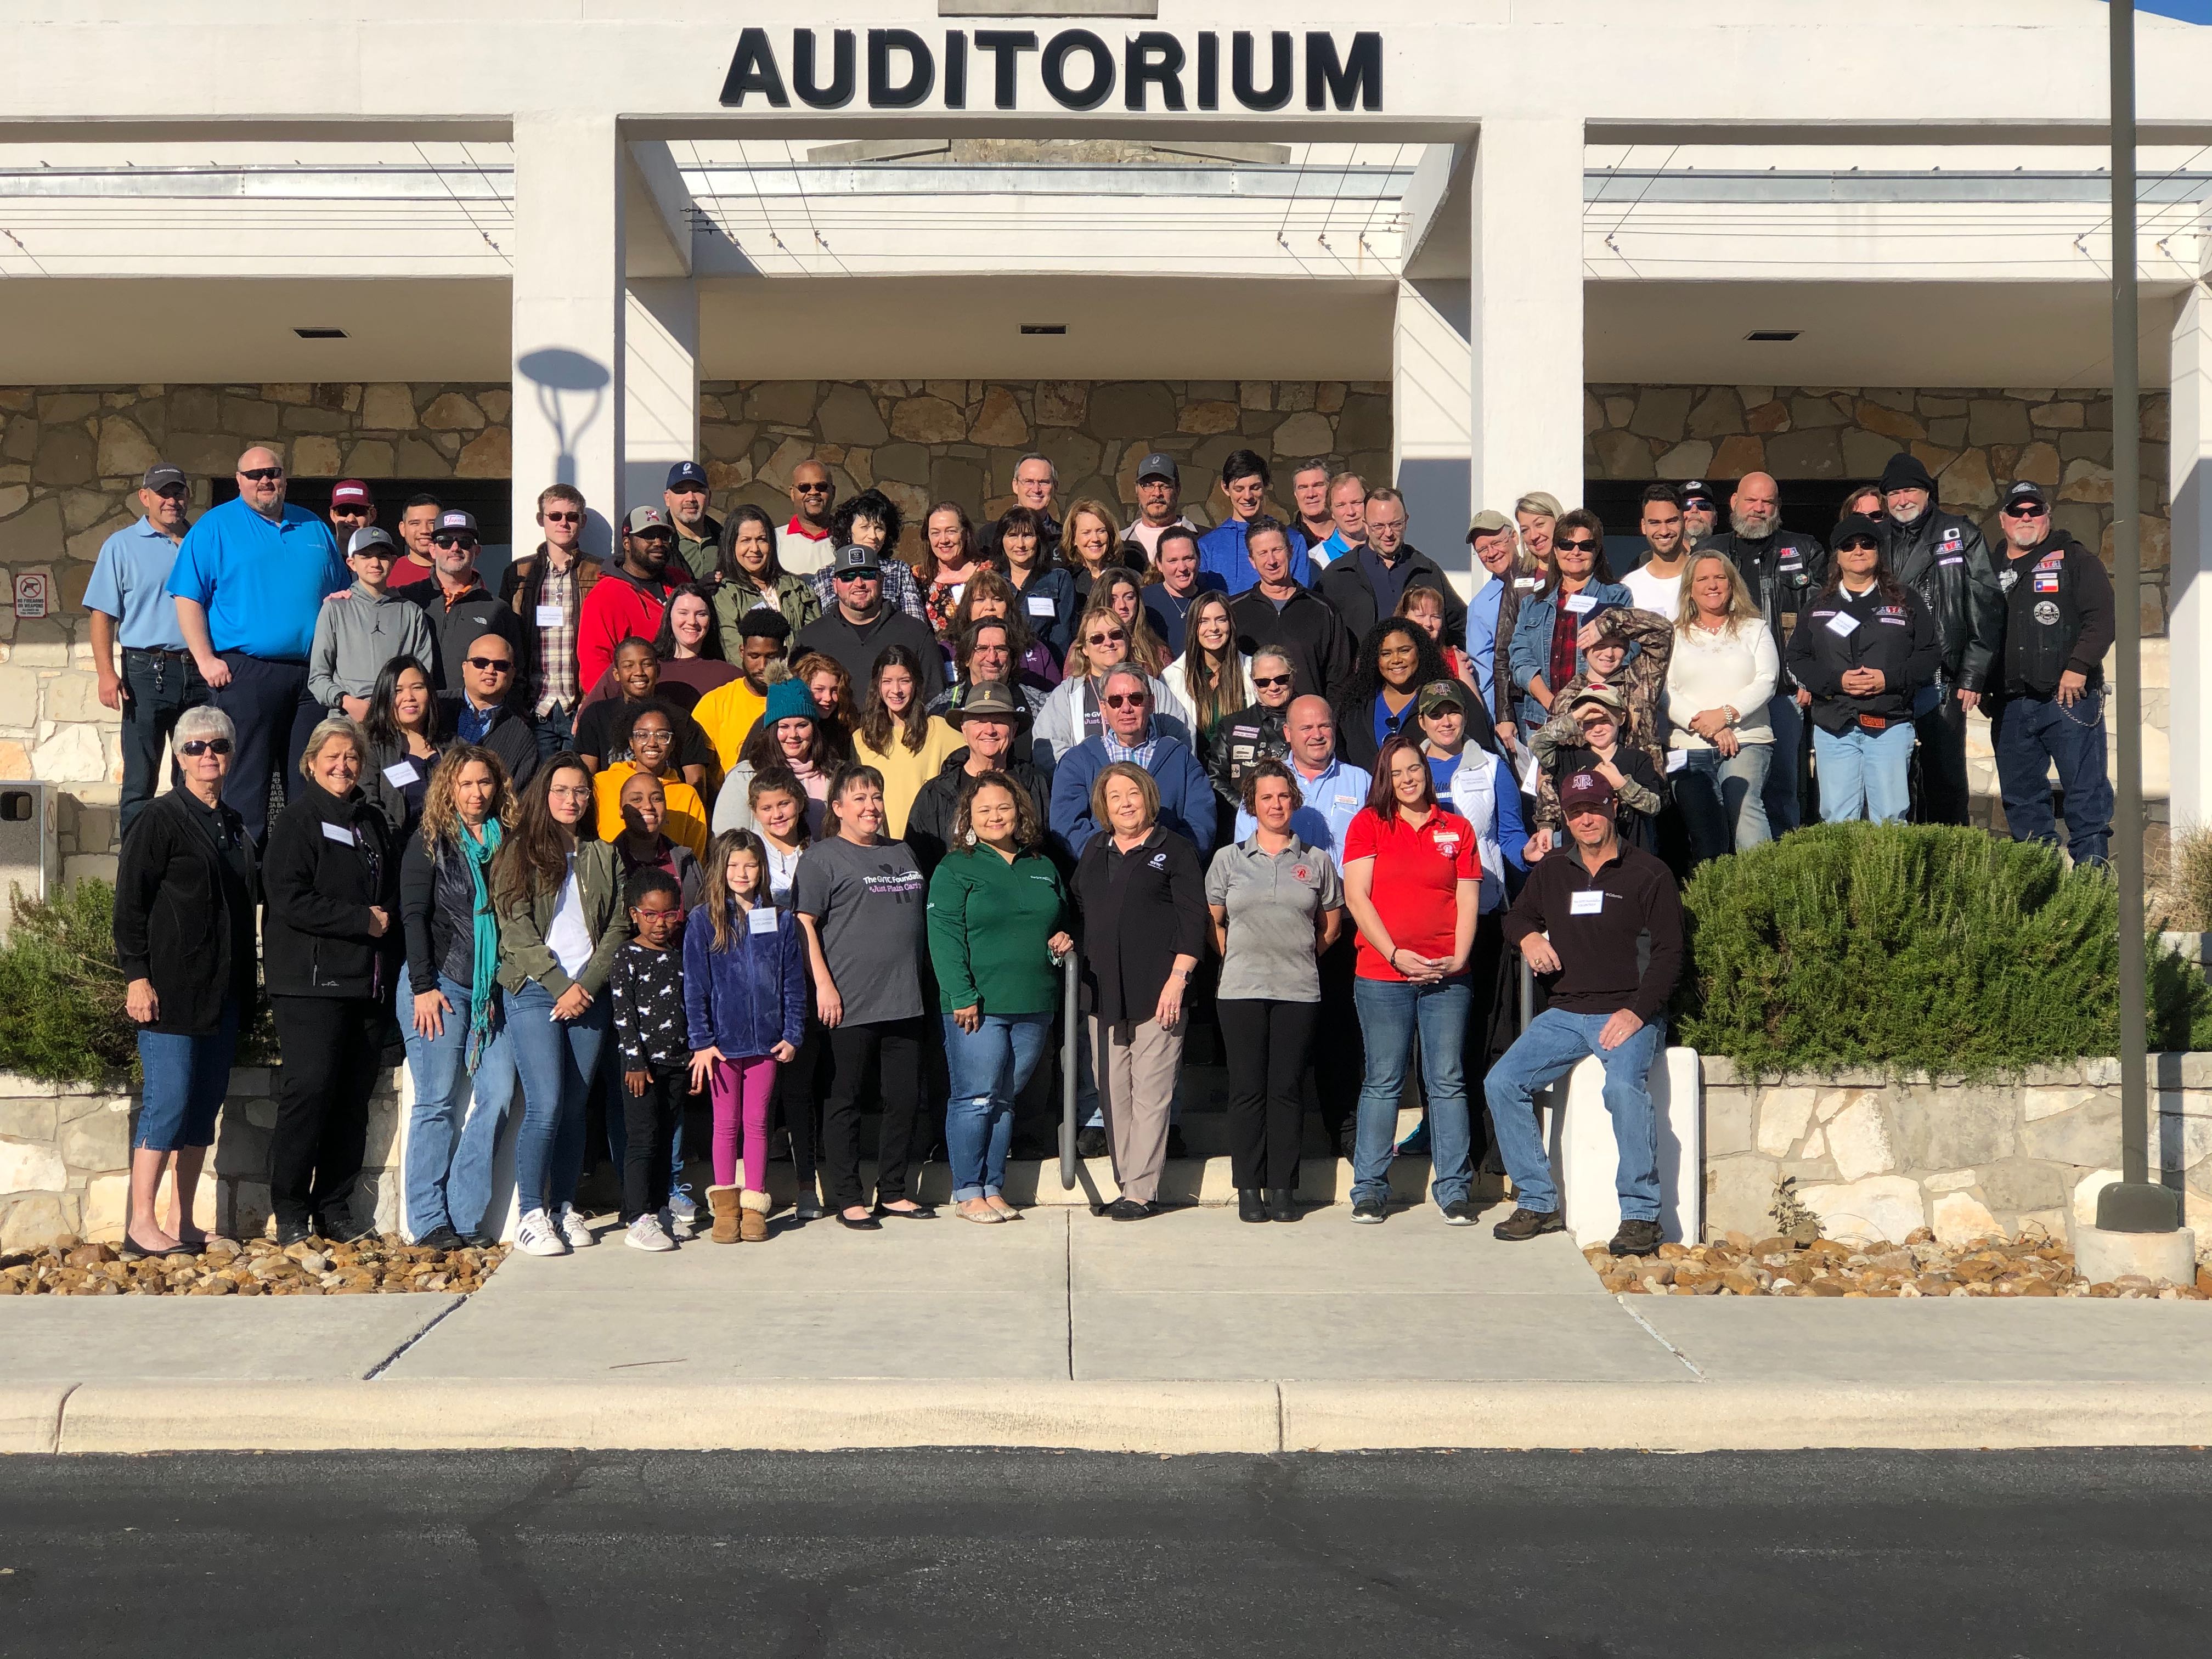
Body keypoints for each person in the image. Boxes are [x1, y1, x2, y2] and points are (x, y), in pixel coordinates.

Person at [1488, 771, 1684, 1257]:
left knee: (1621, 1089)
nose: (1586, 819)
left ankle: (1641, 1215)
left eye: (1594, 808)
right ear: (1567, 819)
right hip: (1565, 1012)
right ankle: (1538, 1200)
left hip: (1626, 1010)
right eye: (1576, 812)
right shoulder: (1553, 869)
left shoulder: (1650, 873)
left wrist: (1638, 1012)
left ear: (1614, 808)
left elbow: (1670, 955)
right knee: (1501, 1082)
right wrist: (1530, 938)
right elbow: (1516, 917)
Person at [114, 705, 255, 1256]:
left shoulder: (235, 824)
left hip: (222, 992)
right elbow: (130, 905)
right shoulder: (159, 818)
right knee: (167, 1102)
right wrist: (136, 977)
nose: (207, 755)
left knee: (202, 1108)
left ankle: (184, 1221)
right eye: (194, 747)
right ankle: (141, 1223)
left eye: (216, 744)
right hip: (168, 990)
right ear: (178, 757)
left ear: (231, 751)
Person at [261, 715, 399, 1245]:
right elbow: (289, 897)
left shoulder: (370, 821)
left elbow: (386, 892)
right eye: (333, 757)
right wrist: (359, 919)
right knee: (310, 1094)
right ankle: (291, 1209)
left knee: (351, 1101)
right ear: (311, 763)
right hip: (309, 985)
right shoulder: (297, 821)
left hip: (365, 985)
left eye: (352, 758)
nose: (343, 766)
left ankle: (334, 1207)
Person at [167, 445, 347, 845]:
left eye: (273, 472)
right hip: (246, 672)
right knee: (248, 785)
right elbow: (187, 598)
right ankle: (244, 885)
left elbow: (340, 595)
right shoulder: (215, 527)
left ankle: (299, 884)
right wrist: (205, 659)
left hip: (311, 676)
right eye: (255, 474)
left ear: (284, 477)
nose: (265, 480)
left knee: (309, 783)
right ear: (239, 480)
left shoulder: (313, 527)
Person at [494, 755, 631, 1257]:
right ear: (542, 795)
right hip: (534, 989)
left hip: (588, 994)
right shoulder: (520, 850)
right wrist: (558, 983)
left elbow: (619, 926)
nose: (570, 799)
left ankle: (563, 1206)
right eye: (560, 790)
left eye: (579, 791)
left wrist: (586, 985)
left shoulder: (604, 853)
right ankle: (532, 1211)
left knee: (576, 1106)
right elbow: (516, 927)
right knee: (547, 1102)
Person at [1340, 736, 1480, 1225]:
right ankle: (1370, 1189)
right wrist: (1396, 954)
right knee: (1383, 1082)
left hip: (1446, 977)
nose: (1407, 778)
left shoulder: (1457, 828)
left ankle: (1455, 1188)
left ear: (1426, 771)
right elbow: (1357, 898)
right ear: (1386, 778)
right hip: (1382, 975)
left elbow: (1466, 899)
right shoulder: (1368, 824)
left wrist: (1458, 957)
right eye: (1397, 772)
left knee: (1447, 1081)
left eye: (1414, 768)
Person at [927, 771, 1074, 1224]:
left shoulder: (1041, 865)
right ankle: (968, 1189)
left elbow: (1058, 922)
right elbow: (944, 935)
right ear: (969, 817)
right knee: (976, 1097)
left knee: (1006, 1099)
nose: (995, 817)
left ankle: (993, 1186)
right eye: (984, 810)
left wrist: (1061, 943)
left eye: (1003, 808)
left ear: (1019, 812)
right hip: (978, 1007)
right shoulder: (956, 868)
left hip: (1034, 1002)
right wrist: (961, 994)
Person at [795, 765, 935, 1230]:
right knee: (845, 1101)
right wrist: (824, 986)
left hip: (906, 999)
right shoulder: (822, 859)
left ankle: (892, 1191)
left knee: (903, 1099)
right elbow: (805, 923)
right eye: (859, 799)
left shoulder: (903, 852)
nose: (871, 806)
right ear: (837, 809)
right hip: (848, 1002)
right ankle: (848, 1197)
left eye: (876, 796)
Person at [1207, 759, 1343, 1223]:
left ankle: (1283, 1187)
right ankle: (1248, 1187)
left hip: (1298, 989)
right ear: (1252, 804)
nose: (1276, 804)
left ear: (1295, 800)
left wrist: (1298, 954)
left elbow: (1330, 928)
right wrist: (1240, 955)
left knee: (1286, 1089)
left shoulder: (1317, 862)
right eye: (1266, 797)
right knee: (1247, 1089)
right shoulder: (1228, 859)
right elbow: (1214, 921)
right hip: (1241, 988)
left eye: (1284, 796)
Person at [1071, 761, 1206, 1220]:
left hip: (1158, 991)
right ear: (1103, 807)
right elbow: (1077, 908)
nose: (1125, 803)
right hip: (1103, 994)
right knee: (1113, 1095)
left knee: (1151, 1093)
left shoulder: (1176, 849)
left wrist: (1178, 978)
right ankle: (1127, 1181)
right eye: (1114, 797)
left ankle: (1142, 1191)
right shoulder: (1094, 850)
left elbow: (1194, 921)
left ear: (1149, 797)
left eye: (1133, 793)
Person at [397, 743, 520, 1250]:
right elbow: (413, 917)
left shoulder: (508, 842)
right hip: (439, 986)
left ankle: (466, 1218)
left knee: (500, 1095)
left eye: (485, 783)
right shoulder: (430, 841)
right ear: (450, 787)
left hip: (491, 990)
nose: (476, 793)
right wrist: (423, 988)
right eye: (466, 783)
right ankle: (428, 1221)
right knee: (437, 1102)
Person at [1985, 480, 2117, 866]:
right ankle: (2038, 882)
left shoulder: (2075, 558)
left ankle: (2091, 880)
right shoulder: (1988, 567)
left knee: (2085, 791)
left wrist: (2078, 667)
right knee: (2022, 798)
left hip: (2069, 698)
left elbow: (2102, 619)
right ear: (2003, 520)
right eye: (2017, 512)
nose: (2026, 518)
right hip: (2010, 703)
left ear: (2047, 515)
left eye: (2034, 511)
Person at [686, 829, 805, 1244]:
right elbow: (696, 986)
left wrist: (792, 1033)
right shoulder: (702, 921)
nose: (742, 873)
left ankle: (754, 1206)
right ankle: (725, 1209)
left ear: (762, 869)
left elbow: (793, 982)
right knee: (726, 1124)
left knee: (757, 1124)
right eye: (734, 865)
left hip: (766, 1045)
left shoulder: (781, 920)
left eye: (750, 865)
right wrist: (701, 1040)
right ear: (720, 869)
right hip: (721, 1047)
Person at [1876, 452, 2005, 828]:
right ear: (1885, 499)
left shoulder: (1960, 533)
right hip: (1887, 680)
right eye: (1895, 492)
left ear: (1928, 493)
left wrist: (1974, 675)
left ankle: (1952, 870)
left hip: (1944, 680)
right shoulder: (1872, 540)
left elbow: (1987, 604)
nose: (1903, 499)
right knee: (1894, 783)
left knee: (1945, 780)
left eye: (1912, 490)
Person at [1786, 514, 1942, 826]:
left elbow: (1930, 654)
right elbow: (1797, 656)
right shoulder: (1818, 605)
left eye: (1867, 544)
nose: (1858, 551)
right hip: (1835, 727)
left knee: (1889, 819)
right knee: (1836, 818)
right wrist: (1835, 681)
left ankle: (1888, 877)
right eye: (1848, 545)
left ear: (1878, 551)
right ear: (1838, 556)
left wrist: (1890, 679)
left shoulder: (1905, 600)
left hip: (1889, 724)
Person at [1697, 471, 1827, 834]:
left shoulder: (1804, 550)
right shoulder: (1710, 552)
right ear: (1734, 503)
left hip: (1784, 692)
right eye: (1751, 500)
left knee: (1784, 788)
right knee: (1725, 790)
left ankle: (1785, 866)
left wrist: (1810, 675)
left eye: (1767, 502)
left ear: (1777, 507)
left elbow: (1819, 620)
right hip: (1721, 694)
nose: (1758, 509)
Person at [88, 462, 209, 837]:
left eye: (178, 492)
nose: (172, 500)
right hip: (146, 672)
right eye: (163, 493)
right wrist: (107, 673)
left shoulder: (203, 542)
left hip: (200, 672)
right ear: (145, 498)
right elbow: (102, 614)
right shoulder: (121, 546)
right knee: (141, 779)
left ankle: (189, 863)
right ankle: (136, 873)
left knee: (196, 775)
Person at [1667, 552, 1779, 865]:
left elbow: (1767, 681)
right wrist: (1707, 724)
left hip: (1748, 739)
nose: (1712, 585)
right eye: (1702, 579)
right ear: (1690, 589)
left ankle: (1762, 895)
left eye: (1719, 578)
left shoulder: (1754, 628)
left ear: (1732, 585)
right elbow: (1665, 691)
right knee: (1704, 835)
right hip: (1689, 744)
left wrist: (1726, 716)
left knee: (1743, 808)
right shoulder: (1674, 635)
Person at [606, 867, 694, 1252]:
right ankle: (636, 1217)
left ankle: (659, 1210)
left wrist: (690, 1058)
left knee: (664, 1140)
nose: (660, 923)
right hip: (642, 1069)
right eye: (651, 915)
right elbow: (623, 1013)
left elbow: (689, 1007)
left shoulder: (678, 955)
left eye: (669, 914)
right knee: (642, 1140)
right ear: (633, 914)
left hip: (677, 1063)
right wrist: (635, 1062)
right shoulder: (627, 955)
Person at [1050, 665, 1217, 859]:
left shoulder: (1181, 758)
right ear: (1104, 709)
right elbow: (1066, 825)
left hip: (1167, 876)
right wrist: (1109, 860)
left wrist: (1162, 863)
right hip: (1102, 878)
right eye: (1116, 701)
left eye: (1136, 699)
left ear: (1152, 703)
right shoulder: (1078, 761)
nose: (1126, 708)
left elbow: (1201, 824)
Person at [1508, 506, 1632, 737]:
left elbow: (1628, 652)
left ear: (1597, 552)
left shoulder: (1617, 597)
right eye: (1566, 545)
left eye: (1585, 546)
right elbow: (1519, 659)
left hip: (1594, 720)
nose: (1575, 552)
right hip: (1541, 721)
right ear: (1555, 551)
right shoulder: (1532, 604)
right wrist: (1552, 702)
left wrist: (1582, 703)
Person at [905, 682, 1052, 875]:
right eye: (979, 721)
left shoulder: (1036, 785)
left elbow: (1051, 855)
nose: (989, 729)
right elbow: (918, 865)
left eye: (999, 720)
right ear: (964, 730)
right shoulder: (936, 794)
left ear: (1014, 730)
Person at [500, 483, 600, 760]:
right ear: (540, 520)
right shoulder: (518, 572)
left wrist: (593, 700)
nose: (564, 523)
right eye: (555, 516)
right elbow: (505, 638)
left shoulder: (600, 572)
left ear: (583, 521)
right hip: (534, 706)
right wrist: (514, 698)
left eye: (572, 516)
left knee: (579, 790)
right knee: (537, 791)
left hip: (579, 706)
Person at [1031, 602, 1192, 771]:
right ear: (1084, 649)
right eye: (1097, 639)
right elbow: (1046, 747)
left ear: (1127, 640)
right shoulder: (1067, 694)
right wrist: (1085, 776)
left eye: (1116, 635)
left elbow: (1183, 736)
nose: (1108, 643)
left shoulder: (1152, 687)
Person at [1522, 605, 1674, 780]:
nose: (1609, 654)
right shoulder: (1566, 698)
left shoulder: (1641, 679)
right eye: (1601, 645)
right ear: (1585, 646)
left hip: (1643, 796)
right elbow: (1552, 769)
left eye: (1617, 646)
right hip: (1589, 801)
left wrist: (1608, 624)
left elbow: (1664, 631)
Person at [309, 527, 438, 722]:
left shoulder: (412, 612)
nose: (375, 563)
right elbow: (318, 677)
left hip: (398, 720)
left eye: (383, 556)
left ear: (394, 562)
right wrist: (349, 703)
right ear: (352, 563)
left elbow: (422, 673)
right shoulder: (334, 609)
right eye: (366, 556)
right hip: (346, 720)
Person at [1315, 487, 1468, 646]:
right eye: (1379, 526)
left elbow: (1459, 626)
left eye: (1395, 525)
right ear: (1366, 526)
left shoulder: (1426, 571)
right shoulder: (1339, 575)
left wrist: (1454, 656)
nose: (1388, 533)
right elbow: (1320, 636)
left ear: (1406, 522)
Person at [794, 544, 946, 704]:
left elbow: (935, 701)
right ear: (835, 584)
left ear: (881, 580)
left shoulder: (916, 633)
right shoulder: (810, 638)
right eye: (848, 577)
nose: (859, 583)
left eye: (868, 575)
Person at [1226, 516, 1353, 705]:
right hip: (1255, 728)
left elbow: (1340, 678)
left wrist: (1327, 719)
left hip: (1310, 726)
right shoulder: (1234, 611)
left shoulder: (1323, 609)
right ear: (1252, 561)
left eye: (1277, 550)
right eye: (1262, 553)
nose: (1272, 561)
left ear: (1291, 552)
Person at [1529, 685, 1667, 856]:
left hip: (1632, 858)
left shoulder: (1639, 759)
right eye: (1588, 723)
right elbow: (1536, 743)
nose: (1597, 729)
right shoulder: (1569, 758)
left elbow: (1654, 806)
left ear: (1621, 718)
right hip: (1581, 859)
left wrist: (1622, 785)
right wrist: (1575, 717)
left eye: (1604, 720)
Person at [850, 644, 963, 839]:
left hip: (929, 841)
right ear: (877, 685)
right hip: (880, 846)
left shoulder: (939, 729)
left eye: (904, 681)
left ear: (916, 684)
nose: (896, 690)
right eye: (887, 681)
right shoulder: (861, 739)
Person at [406, 509, 521, 693]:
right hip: (417, 713)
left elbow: (516, 671)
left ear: (477, 551)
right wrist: (347, 595)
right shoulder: (407, 599)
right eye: (445, 542)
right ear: (433, 550)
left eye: (465, 542)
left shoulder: (497, 610)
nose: (455, 548)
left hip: (473, 716)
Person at [574, 637, 712, 787]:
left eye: (646, 664)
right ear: (616, 674)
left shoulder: (680, 718)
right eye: (628, 666)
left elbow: (696, 779)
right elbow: (585, 776)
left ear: (658, 670)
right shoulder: (596, 715)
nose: (639, 672)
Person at [714, 678, 837, 838]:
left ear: (814, 728)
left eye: (801, 726)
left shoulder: (836, 774)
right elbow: (728, 839)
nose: (793, 735)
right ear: (772, 731)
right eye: (784, 727)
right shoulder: (745, 776)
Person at [577, 505, 682, 691]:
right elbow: (595, 664)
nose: (658, 542)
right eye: (648, 536)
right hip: (638, 706)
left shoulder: (680, 580)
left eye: (664, 537)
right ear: (627, 543)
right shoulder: (606, 595)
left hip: (688, 696)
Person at [1462, 507, 1538, 753]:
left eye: (1496, 543)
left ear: (1514, 538)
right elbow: (1483, 673)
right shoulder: (1480, 606)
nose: (1492, 553)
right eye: (1482, 550)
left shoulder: (1546, 576)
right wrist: (1497, 722)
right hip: (1516, 710)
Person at [1335, 617, 1453, 773]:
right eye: (1386, 654)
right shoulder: (1355, 706)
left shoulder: (1447, 698)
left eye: (1404, 651)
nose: (1396, 660)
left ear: (1420, 651)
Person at [591, 702, 709, 856]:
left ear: (673, 744)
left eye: (662, 736)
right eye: (642, 735)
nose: (652, 743)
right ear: (631, 743)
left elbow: (695, 858)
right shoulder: (602, 783)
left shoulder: (687, 796)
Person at [693, 608, 791, 778]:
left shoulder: (795, 701)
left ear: (783, 654)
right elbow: (700, 772)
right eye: (754, 656)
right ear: (742, 652)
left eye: (771, 657)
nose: (762, 666)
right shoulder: (715, 703)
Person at [802, 490, 928, 622]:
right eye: (865, 527)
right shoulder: (825, 576)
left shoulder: (899, 571)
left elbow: (916, 624)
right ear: (849, 531)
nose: (873, 536)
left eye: (879, 528)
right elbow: (817, 628)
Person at [437, 631, 540, 791]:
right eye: (481, 662)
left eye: (501, 665)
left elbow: (519, 799)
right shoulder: (434, 708)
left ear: (512, 673)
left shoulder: (520, 737)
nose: (490, 670)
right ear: (465, 668)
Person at [1162, 591, 1250, 775]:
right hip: (1195, 775)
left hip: (1241, 776)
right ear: (1194, 627)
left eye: (1221, 620)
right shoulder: (1172, 677)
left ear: (1230, 624)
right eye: (1204, 621)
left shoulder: (1250, 670)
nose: (1214, 628)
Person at [1199, 450, 1311, 595]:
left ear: (1266, 486)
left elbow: (1302, 600)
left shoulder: (1292, 541)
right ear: (1225, 489)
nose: (1248, 496)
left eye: (1255, 488)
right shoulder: (1207, 547)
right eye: (1239, 489)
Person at [715, 503, 820, 649]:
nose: (755, 549)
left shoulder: (797, 588)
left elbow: (816, 640)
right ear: (732, 545)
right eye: (746, 540)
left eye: (762, 539)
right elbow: (734, 648)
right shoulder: (724, 594)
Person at [362, 655, 442, 842]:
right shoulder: (371, 745)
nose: (409, 697)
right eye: (398, 691)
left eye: (418, 688)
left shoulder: (452, 745)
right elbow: (368, 801)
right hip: (395, 849)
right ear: (385, 696)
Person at [1207, 646, 1296, 809]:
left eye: (1281, 679)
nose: (1273, 687)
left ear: (1293, 678)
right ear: (1254, 684)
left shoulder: (1314, 721)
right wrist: (1247, 810)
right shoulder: (1231, 726)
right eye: (1263, 682)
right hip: (1244, 824)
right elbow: (1215, 779)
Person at [945, 569, 1060, 696]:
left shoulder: (1036, 650)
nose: (990, 607)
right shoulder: (947, 649)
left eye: (997, 599)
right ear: (968, 607)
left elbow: (1056, 698)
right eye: (980, 599)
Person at [997, 505, 1079, 667]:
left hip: (1044, 671)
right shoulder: (994, 584)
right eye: (1012, 536)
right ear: (1002, 540)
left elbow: (1062, 638)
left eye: (1027, 536)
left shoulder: (1059, 579)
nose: (1020, 544)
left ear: (1039, 539)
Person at [611, 768, 705, 907]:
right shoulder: (607, 862)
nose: (649, 806)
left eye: (657, 799)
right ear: (621, 810)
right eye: (637, 799)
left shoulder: (687, 861)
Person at [1138, 524, 1226, 659]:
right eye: (1173, 561)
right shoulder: (1143, 602)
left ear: (1199, 559)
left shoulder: (1216, 602)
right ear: (1159, 564)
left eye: (1188, 559)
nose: (1182, 568)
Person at [648, 584, 738, 713]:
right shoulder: (646, 667)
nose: (692, 621)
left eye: (701, 614)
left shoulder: (729, 676)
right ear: (669, 616)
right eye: (683, 613)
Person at [917, 501, 990, 638]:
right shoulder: (917, 577)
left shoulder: (986, 572)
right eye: (935, 533)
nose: (944, 540)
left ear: (965, 533)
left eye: (951, 531)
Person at [1620, 484, 1691, 622]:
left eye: (1671, 521)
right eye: (1655, 523)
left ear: (1685, 522)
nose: (1664, 531)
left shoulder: (1707, 579)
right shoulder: (1629, 587)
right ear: (1643, 526)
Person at [980, 453, 1063, 564]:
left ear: (1055, 487)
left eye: (1044, 482)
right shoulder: (989, 536)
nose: (1036, 489)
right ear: (1015, 486)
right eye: (1029, 482)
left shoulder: (1065, 539)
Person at [1122, 451, 1198, 566]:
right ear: (1137, 489)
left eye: (1165, 486)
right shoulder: (1118, 544)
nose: (1157, 493)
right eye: (1148, 485)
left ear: (1178, 489)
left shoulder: (1202, 540)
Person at [1062, 498, 1143, 606]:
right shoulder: (1068, 581)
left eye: (1101, 531)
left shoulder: (1131, 577)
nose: (1095, 539)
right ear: (1074, 539)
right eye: (1086, 533)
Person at [1397, 586, 1478, 693]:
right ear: (1405, 617)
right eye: (1421, 615)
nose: (1428, 624)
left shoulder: (1454, 658)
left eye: (1435, 617)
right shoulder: (1393, 660)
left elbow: (1475, 706)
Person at [1094, 567, 1171, 678]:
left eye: (1129, 597)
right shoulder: (1085, 648)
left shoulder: (1158, 652)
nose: (1122, 606)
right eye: (1113, 599)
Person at [662, 460, 721, 584]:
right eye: (681, 491)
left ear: (709, 497)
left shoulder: (727, 540)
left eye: (698, 490)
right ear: (667, 499)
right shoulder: (658, 545)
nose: (690, 498)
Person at [777, 459, 839, 576]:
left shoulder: (850, 539)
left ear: (833, 491)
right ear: (792, 493)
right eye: (804, 487)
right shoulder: (774, 541)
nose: (813, 492)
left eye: (821, 486)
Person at [1313, 470, 1369, 566]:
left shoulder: (1385, 547)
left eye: (1356, 503)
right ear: (1332, 513)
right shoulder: (1318, 559)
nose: (1351, 512)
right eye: (1341, 505)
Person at [391, 493, 443, 589]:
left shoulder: (464, 575)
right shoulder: (387, 573)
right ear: (403, 529)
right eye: (415, 523)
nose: (424, 530)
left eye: (432, 523)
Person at [1288, 461, 1339, 555]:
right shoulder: (1287, 540)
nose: (1311, 494)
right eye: (1303, 488)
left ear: (1332, 489)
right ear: (1296, 494)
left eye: (1318, 485)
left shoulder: (1352, 534)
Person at [325, 478, 377, 554]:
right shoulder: (321, 553)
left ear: (372, 515)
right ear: (333, 515)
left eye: (358, 511)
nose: (351, 519)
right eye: (343, 511)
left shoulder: (382, 559)